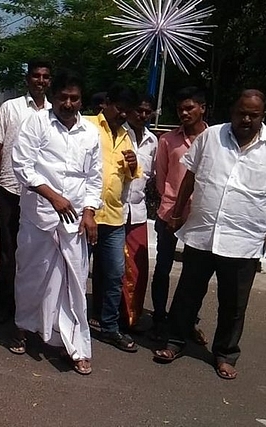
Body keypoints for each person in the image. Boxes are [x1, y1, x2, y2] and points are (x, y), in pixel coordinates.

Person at [153, 90, 266, 380]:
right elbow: (191, 176)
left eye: (253, 115)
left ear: (263, 116)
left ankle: (225, 353)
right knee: (187, 294)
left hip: (243, 240)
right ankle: (174, 342)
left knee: (234, 303)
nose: (246, 119)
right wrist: (176, 212)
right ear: (231, 110)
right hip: (203, 233)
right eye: (241, 112)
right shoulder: (212, 137)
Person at [10, 70, 102, 376]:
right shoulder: (36, 122)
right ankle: (24, 327)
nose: (68, 103)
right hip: (39, 216)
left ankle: (77, 347)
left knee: (74, 283)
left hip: (74, 220)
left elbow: (94, 177)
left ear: (81, 100)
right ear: (54, 98)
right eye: (63, 97)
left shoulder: (90, 132)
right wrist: (52, 196)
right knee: (32, 276)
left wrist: (89, 212)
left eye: (74, 98)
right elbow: (22, 166)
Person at [0, 58, 52, 324]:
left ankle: (32, 305)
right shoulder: (10, 107)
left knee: (35, 251)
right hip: (9, 188)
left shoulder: (54, 112)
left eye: (45, 77)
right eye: (36, 76)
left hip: (40, 194)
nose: (41, 81)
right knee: (9, 250)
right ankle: (6, 304)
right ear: (28, 79)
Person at [149, 87, 208, 343]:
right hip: (170, 212)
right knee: (163, 268)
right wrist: (172, 202)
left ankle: (187, 320)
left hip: (202, 216)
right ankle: (159, 318)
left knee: (196, 273)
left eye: (190, 108)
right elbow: (161, 178)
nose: (184, 113)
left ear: (202, 108)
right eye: (180, 109)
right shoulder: (167, 140)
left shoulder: (215, 139)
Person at [85, 85, 141, 352]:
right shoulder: (86, 126)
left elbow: (130, 175)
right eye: (120, 108)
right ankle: (71, 325)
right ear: (106, 102)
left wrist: (132, 164)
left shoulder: (126, 136)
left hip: (114, 218)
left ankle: (109, 327)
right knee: (76, 273)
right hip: (86, 216)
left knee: (114, 274)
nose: (123, 115)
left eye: (127, 111)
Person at [122, 94, 158, 329]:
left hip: (136, 211)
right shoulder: (116, 133)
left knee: (137, 269)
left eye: (148, 111)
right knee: (109, 267)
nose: (143, 115)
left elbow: (151, 177)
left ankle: (130, 319)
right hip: (110, 209)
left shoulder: (153, 141)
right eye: (139, 110)